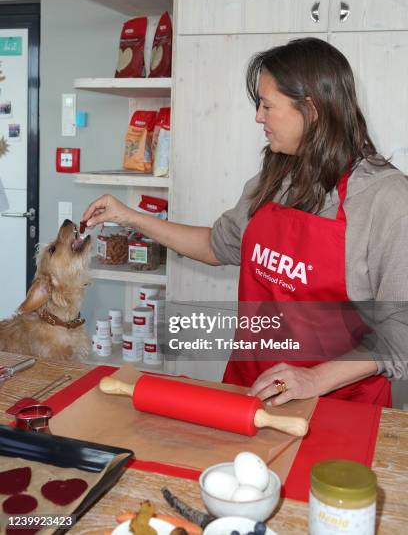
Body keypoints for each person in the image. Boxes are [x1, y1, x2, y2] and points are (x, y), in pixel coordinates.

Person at [82, 38, 408, 408]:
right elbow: (215, 245)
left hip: (342, 408)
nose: (258, 116)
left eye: (267, 105)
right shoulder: (275, 178)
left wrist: (312, 378)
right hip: (250, 391)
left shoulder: (387, 198)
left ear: (311, 109)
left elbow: (401, 334)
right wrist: (128, 216)